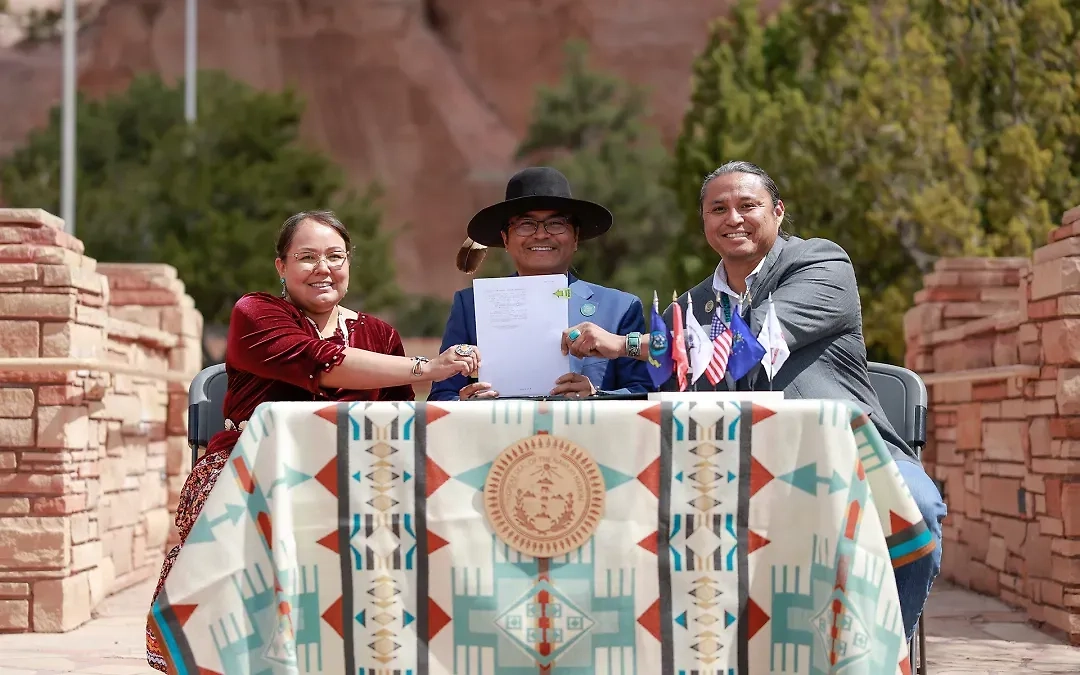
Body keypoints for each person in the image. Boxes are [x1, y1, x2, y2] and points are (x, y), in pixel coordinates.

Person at [559, 161, 946, 642]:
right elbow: (671, 390)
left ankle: (884, 653)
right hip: (734, 466)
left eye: (748, 205)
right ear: (704, 223)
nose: (733, 219)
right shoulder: (690, 306)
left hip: (848, 452)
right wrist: (599, 393)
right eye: (717, 209)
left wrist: (624, 344)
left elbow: (752, 341)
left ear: (778, 212)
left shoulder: (820, 264)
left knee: (919, 509)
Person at [146, 210, 481, 672]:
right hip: (252, 474)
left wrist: (461, 395)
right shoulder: (256, 312)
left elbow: (404, 422)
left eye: (335, 256)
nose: (323, 268)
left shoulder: (380, 335)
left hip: (358, 481)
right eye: (307, 257)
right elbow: (321, 362)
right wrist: (429, 368)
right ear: (281, 266)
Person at [427, 166, 652, 400]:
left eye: (556, 224)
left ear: (575, 237)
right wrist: (466, 403)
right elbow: (441, 397)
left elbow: (644, 395)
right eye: (526, 224)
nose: (541, 235)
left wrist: (596, 396)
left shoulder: (620, 308)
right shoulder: (470, 305)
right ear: (505, 239)